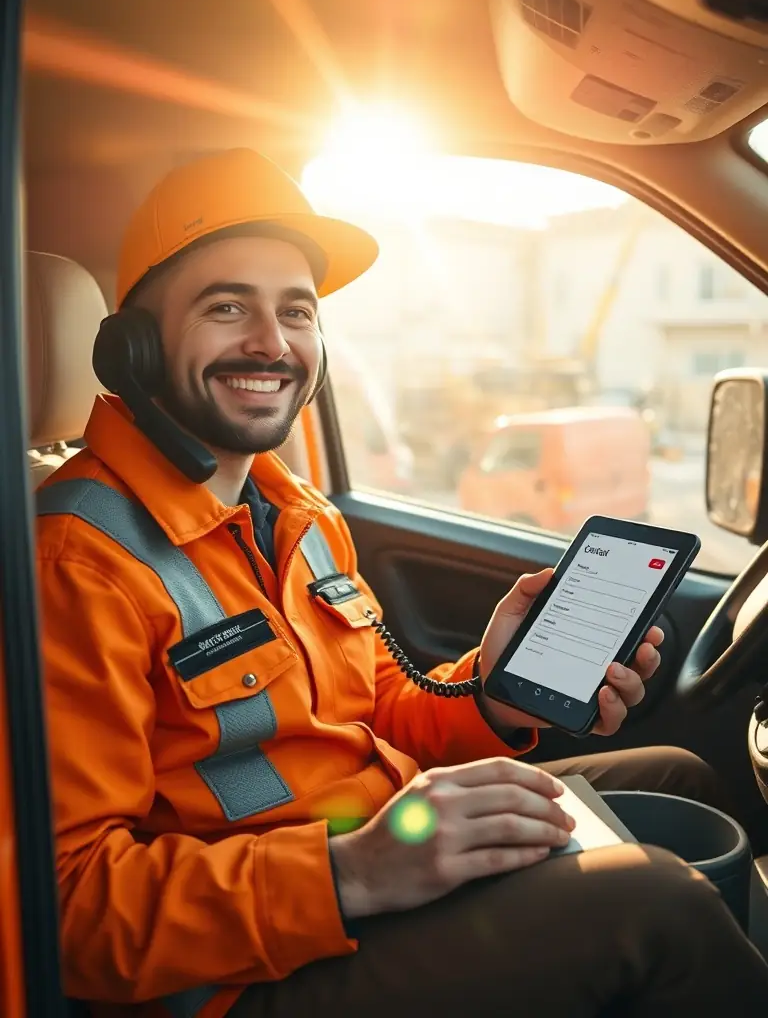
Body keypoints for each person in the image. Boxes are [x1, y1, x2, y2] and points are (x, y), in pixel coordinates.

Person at [36, 148, 768, 1018]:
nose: (272, 343)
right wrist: (353, 873)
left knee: (680, 775)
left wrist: (491, 696)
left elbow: (377, 712)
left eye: (296, 311)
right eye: (227, 306)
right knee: (658, 906)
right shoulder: (76, 561)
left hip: (376, 850)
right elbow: (68, 911)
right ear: (136, 346)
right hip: (245, 974)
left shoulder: (296, 512)